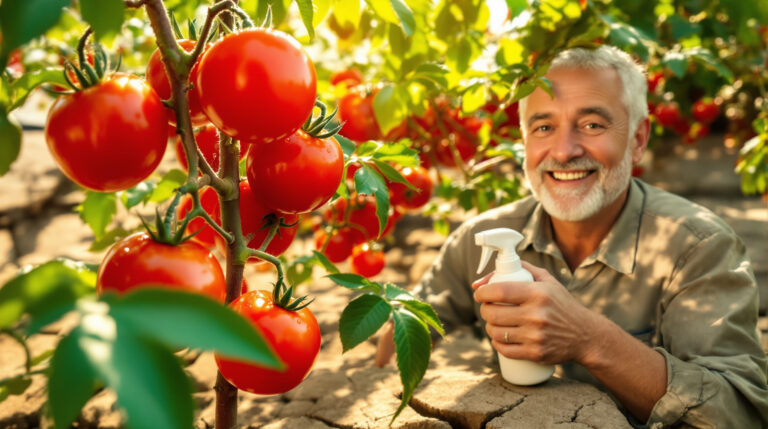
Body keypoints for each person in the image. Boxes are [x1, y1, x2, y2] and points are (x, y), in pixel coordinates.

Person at [375, 45, 768, 428]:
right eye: (544, 127)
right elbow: (401, 346)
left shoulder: (699, 247)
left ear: (638, 139)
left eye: (592, 125)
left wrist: (590, 339)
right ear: (525, 142)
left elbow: (740, 412)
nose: (563, 152)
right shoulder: (478, 238)